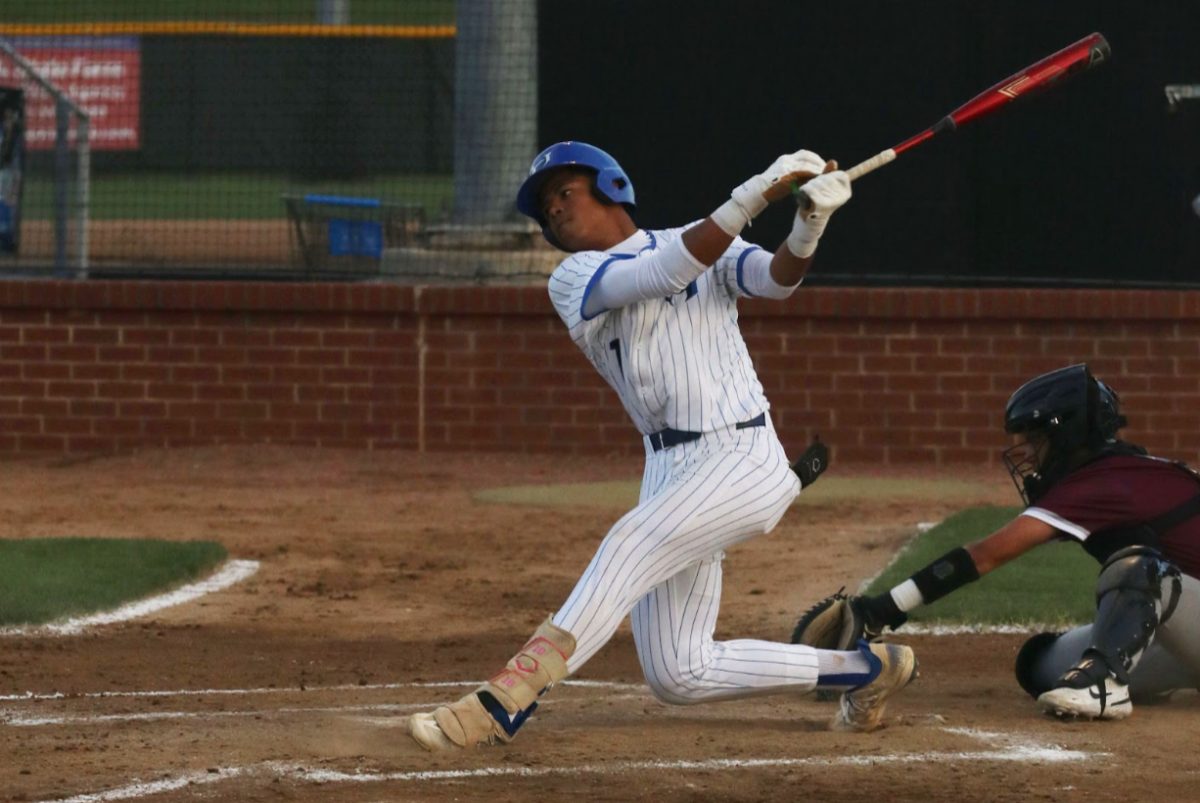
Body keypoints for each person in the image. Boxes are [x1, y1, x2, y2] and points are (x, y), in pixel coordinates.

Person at [407, 141, 919, 751]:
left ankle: (505, 699)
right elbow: (663, 271)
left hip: (742, 455)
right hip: (669, 468)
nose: (555, 213)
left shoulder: (704, 241)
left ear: (611, 186)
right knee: (680, 671)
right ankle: (868, 670)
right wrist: (756, 191)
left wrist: (809, 224)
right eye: (546, 209)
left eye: (564, 194)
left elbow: (775, 280)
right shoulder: (573, 279)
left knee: (630, 541)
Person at [840, 363, 1200, 720]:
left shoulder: (1100, 483)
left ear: (1067, 435)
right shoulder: (1121, 473)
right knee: (1040, 665)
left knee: (1141, 568)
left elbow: (985, 554)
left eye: (1036, 438)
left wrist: (883, 608)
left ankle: (1106, 687)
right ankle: (1166, 676)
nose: (1028, 453)